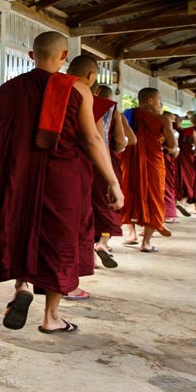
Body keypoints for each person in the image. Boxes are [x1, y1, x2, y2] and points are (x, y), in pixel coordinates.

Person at [0, 32, 122, 336]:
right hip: (64, 181)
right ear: (64, 56)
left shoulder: (7, 91)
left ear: (32, 56)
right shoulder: (77, 89)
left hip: (20, 177)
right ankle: (52, 317)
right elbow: (93, 139)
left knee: (22, 231)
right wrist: (113, 181)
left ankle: (22, 286)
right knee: (60, 242)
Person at [69, 60, 122, 274]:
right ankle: (100, 245)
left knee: (73, 215)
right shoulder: (102, 106)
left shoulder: (51, 92)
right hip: (96, 162)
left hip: (64, 166)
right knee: (96, 211)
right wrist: (113, 181)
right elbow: (100, 140)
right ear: (92, 78)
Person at [120, 88, 177, 252]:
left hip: (129, 161)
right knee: (155, 197)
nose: (160, 103)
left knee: (128, 192)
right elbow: (172, 145)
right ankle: (146, 242)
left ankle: (131, 234)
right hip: (153, 162)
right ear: (151, 101)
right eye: (159, 99)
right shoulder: (163, 120)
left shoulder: (126, 115)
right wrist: (163, 143)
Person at [175, 116, 196, 217]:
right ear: (181, 121)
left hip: (173, 158)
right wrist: (191, 155)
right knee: (188, 181)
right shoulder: (190, 131)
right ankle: (181, 202)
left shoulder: (167, 129)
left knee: (173, 181)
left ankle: (171, 210)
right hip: (187, 159)